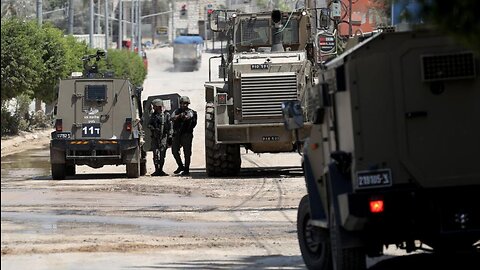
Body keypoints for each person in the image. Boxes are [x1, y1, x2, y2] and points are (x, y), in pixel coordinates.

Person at [171, 96, 197, 176]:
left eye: (186, 103)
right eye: (182, 103)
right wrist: (179, 116)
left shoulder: (191, 112)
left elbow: (190, 117)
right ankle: (180, 166)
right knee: (174, 151)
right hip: (177, 134)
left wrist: (185, 117)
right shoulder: (176, 111)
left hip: (186, 134)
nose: (184, 105)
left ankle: (186, 169)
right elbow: (172, 118)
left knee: (187, 153)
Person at [148, 99, 172, 176]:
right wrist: (154, 129)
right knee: (155, 154)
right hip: (155, 137)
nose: (153, 107)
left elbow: (170, 127)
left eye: (154, 106)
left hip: (163, 137)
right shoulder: (153, 115)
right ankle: (156, 170)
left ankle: (160, 169)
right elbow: (149, 124)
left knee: (162, 153)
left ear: (158, 106)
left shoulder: (166, 115)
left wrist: (170, 136)